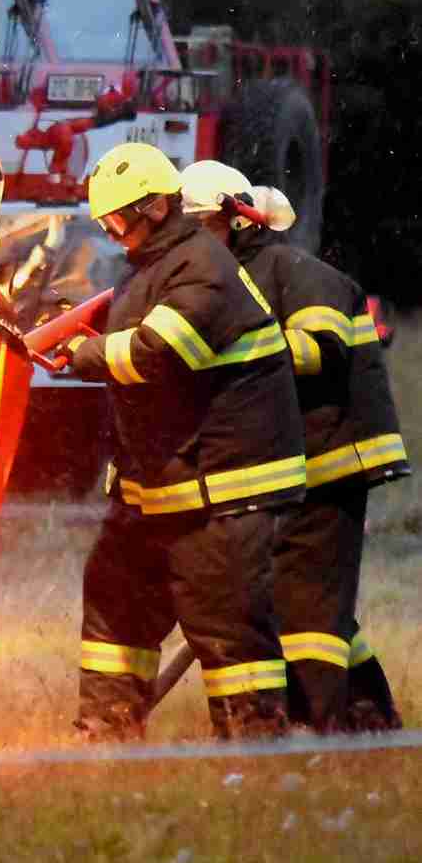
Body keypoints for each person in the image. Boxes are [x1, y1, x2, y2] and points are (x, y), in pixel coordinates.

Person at [63, 143, 305, 740]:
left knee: (223, 622)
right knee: (116, 600)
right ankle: (108, 728)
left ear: (155, 208)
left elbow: (160, 355)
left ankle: (252, 744)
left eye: (119, 220)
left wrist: (85, 353)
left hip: (222, 491)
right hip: (165, 488)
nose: (114, 234)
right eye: (106, 224)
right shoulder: (155, 269)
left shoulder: (204, 267)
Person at [181, 160, 410, 732]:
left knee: (307, 606)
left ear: (237, 220)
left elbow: (321, 352)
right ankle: (371, 720)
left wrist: (237, 345)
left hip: (332, 459)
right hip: (286, 467)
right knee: (306, 598)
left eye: (197, 226)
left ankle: (321, 730)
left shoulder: (298, 273)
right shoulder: (229, 279)